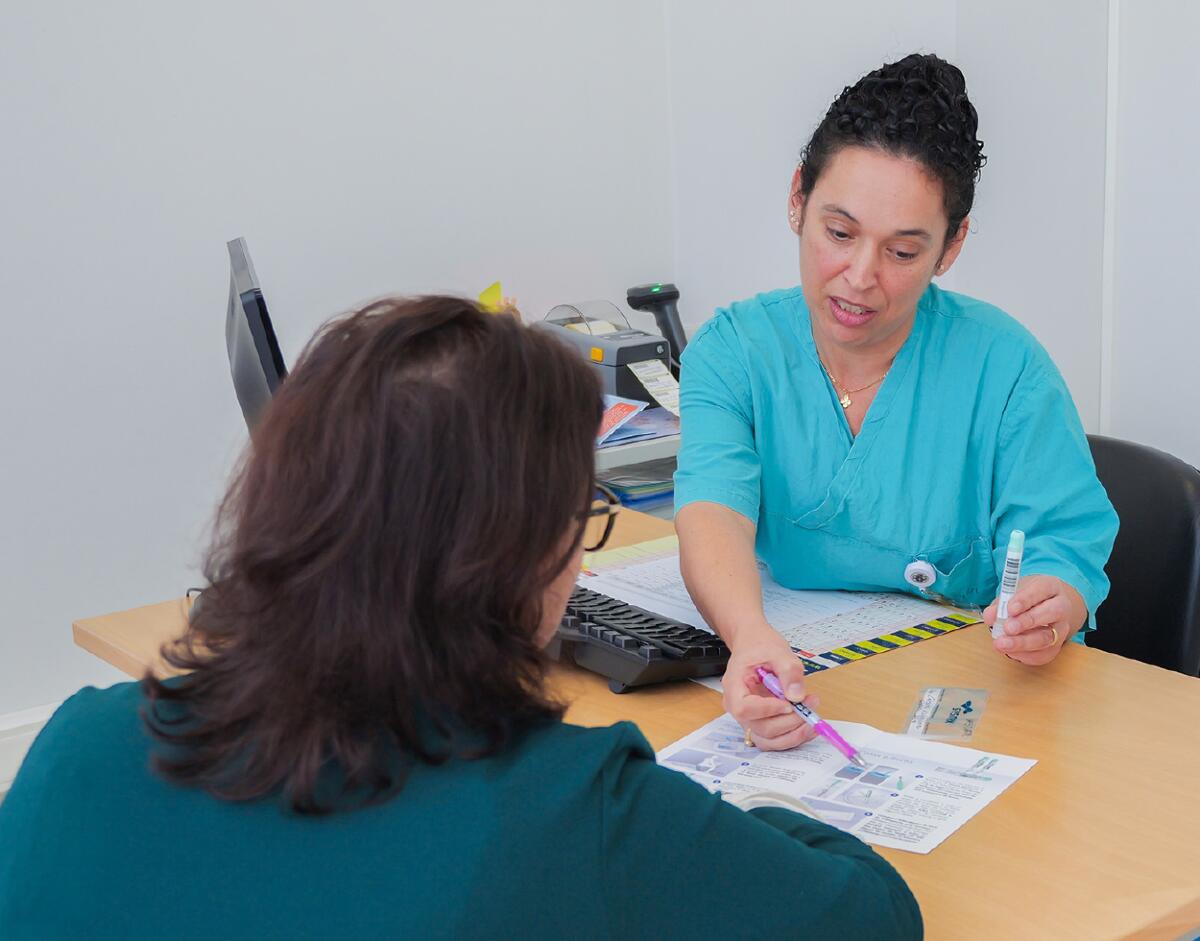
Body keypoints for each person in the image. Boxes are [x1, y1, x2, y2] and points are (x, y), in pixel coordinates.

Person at [0, 296, 921, 939]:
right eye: (576, 521)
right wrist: (752, 813)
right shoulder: (570, 814)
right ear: (511, 559)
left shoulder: (75, 750)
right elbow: (870, 915)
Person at [674, 53, 1119, 751]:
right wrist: (748, 634)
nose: (859, 277)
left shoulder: (1006, 369)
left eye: (904, 251)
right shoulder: (734, 352)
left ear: (952, 246)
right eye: (839, 232)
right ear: (797, 199)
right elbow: (711, 507)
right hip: (811, 683)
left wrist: (1050, 603)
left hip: (971, 713)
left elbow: (1060, 545)